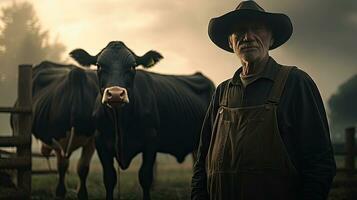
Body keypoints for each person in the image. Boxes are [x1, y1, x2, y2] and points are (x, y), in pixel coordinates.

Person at [191, 1, 336, 200]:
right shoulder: (221, 93)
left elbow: (320, 163)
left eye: (256, 29)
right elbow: (202, 163)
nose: (248, 37)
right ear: (230, 42)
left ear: (272, 37)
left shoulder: (295, 83)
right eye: (239, 31)